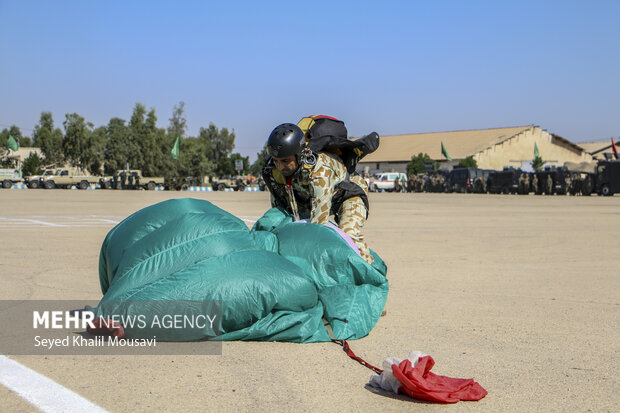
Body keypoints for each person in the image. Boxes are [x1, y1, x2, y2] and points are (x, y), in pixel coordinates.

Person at [262, 122, 375, 265]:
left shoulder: (320, 172)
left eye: (285, 161)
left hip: (348, 195)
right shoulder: (273, 170)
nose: (280, 166)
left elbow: (319, 226)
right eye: (276, 161)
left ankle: (369, 273)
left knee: (349, 234)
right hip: (310, 198)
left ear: (299, 155)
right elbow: (279, 213)